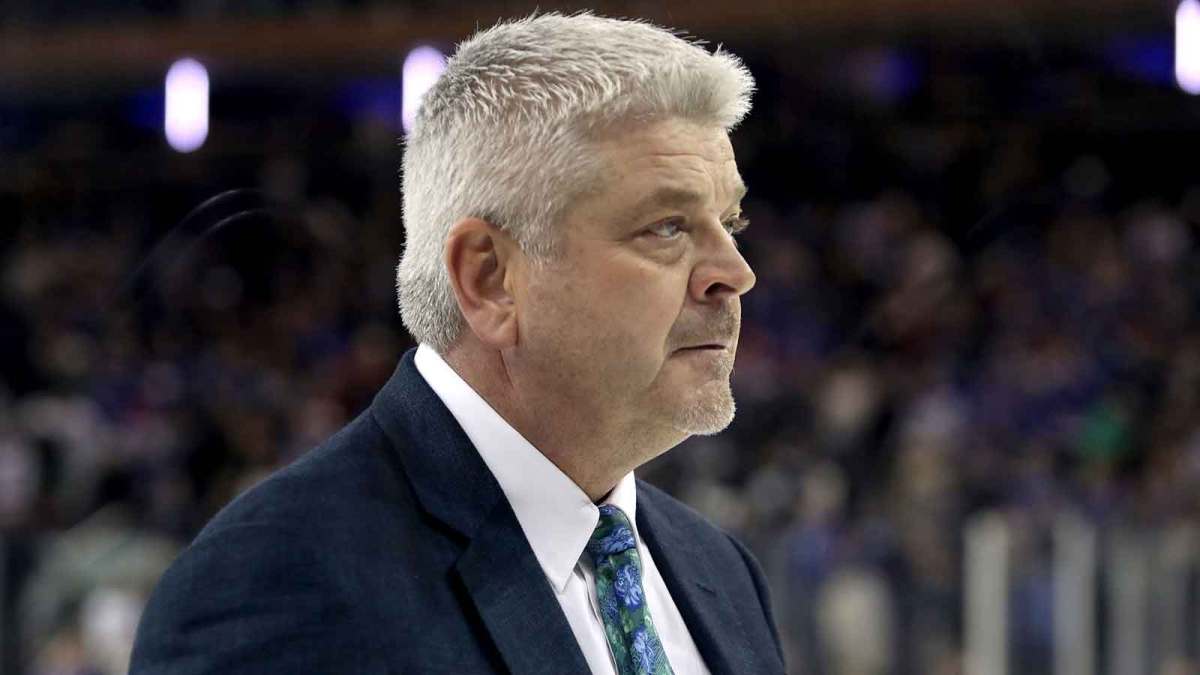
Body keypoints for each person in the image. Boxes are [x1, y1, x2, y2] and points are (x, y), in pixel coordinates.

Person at [130, 12, 785, 675]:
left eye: (729, 221)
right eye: (667, 226)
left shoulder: (722, 573)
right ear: (490, 278)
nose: (734, 271)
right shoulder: (273, 585)